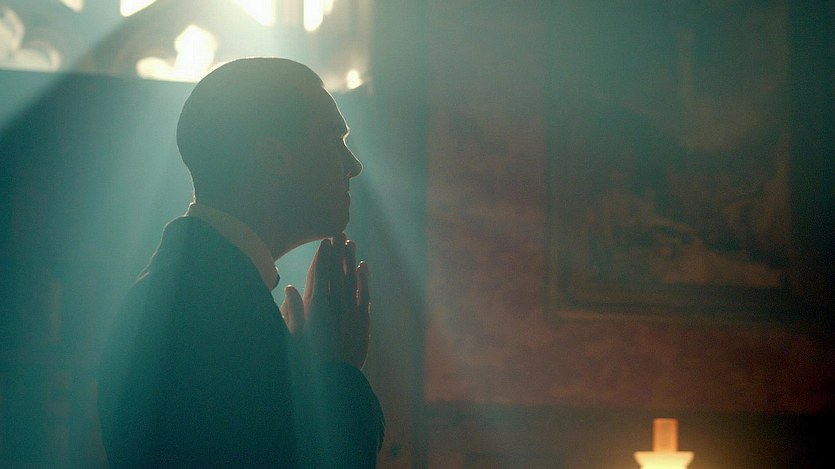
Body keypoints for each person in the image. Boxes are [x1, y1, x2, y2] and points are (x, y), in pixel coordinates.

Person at [97, 58, 384, 467]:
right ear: (273, 157)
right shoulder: (213, 310)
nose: (353, 165)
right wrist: (337, 372)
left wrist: (303, 379)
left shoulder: (193, 286)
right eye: (334, 139)